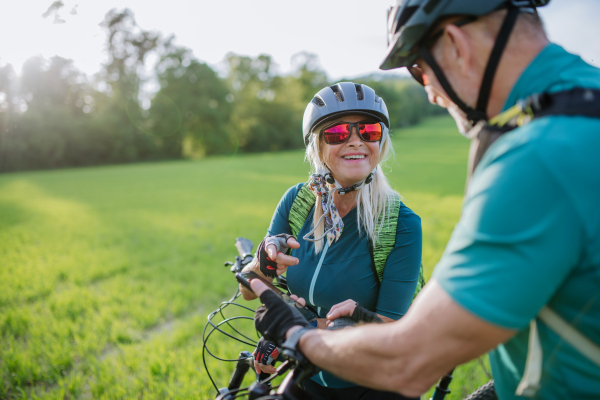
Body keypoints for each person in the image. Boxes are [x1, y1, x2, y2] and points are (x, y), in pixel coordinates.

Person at [250, 1, 600, 399]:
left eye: (418, 69)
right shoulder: (581, 111)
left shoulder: (537, 159)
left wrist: (298, 336)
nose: (430, 94)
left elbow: (410, 359)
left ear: (454, 44)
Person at [240, 82, 423, 399]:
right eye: (337, 133)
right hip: (304, 375)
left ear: (381, 140)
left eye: (369, 131)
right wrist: (263, 261)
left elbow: (391, 332)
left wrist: (298, 331)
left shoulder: (400, 224)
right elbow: (248, 291)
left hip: (372, 384)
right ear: (317, 147)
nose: (356, 141)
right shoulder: (297, 202)